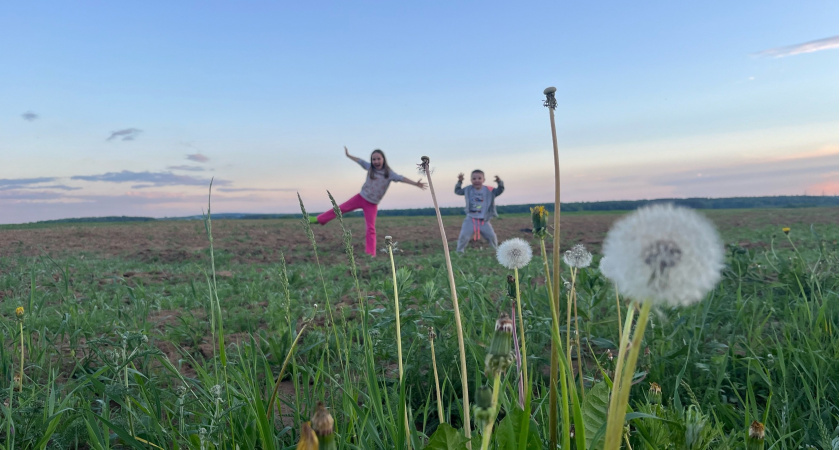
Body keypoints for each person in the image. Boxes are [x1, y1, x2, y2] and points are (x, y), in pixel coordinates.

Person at [312, 146, 427, 256]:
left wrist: (416, 184)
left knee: (371, 228)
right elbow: (360, 161)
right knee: (339, 209)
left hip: (372, 204)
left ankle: (370, 253)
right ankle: (318, 219)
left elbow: (401, 178)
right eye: (374, 159)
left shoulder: (389, 174)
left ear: (383, 159)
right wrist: (348, 155)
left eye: (378, 159)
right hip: (360, 197)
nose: (376, 161)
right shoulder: (370, 168)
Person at [454, 170, 504, 253]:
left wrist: (499, 182)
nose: (476, 180)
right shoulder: (468, 189)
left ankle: (495, 252)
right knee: (464, 236)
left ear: (483, 180)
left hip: (484, 220)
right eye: (474, 178)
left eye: (479, 178)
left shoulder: (489, 189)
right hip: (471, 219)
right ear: (471, 180)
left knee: (492, 237)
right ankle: (459, 252)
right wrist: (460, 181)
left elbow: (499, 190)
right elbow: (458, 191)